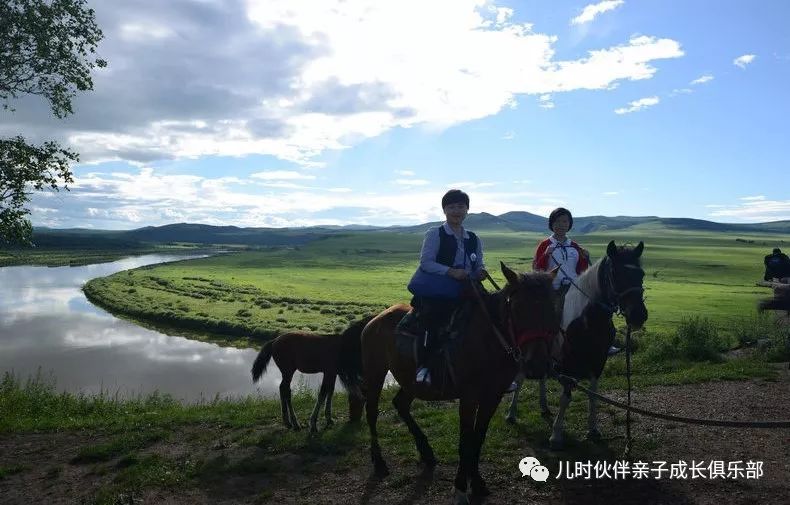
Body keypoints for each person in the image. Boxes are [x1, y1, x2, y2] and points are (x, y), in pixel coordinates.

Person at [407, 189, 487, 386]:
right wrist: (451, 272)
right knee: (433, 319)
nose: (456, 211)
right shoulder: (435, 233)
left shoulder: (473, 238)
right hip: (440, 290)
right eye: (451, 207)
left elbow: (478, 264)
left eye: (461, 206)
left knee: (493, 314)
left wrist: (481, 271)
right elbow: (426, 262)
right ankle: (424, 366)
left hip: (468, 288)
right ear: (444, 210)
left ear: (467, 210)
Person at [533, 207, 621, 356]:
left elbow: (581, 270)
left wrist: (584, 258)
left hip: (575, 286)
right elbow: (536, 268)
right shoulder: (545, 245)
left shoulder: (574, 246)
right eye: (558, 221)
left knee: (598, 307)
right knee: (556, 314)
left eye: (565, 221)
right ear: (552, 224)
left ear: (570, 224)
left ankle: (606, 342)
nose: (562, 224)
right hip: (554, 287)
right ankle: (551, 347)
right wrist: (545, 255)